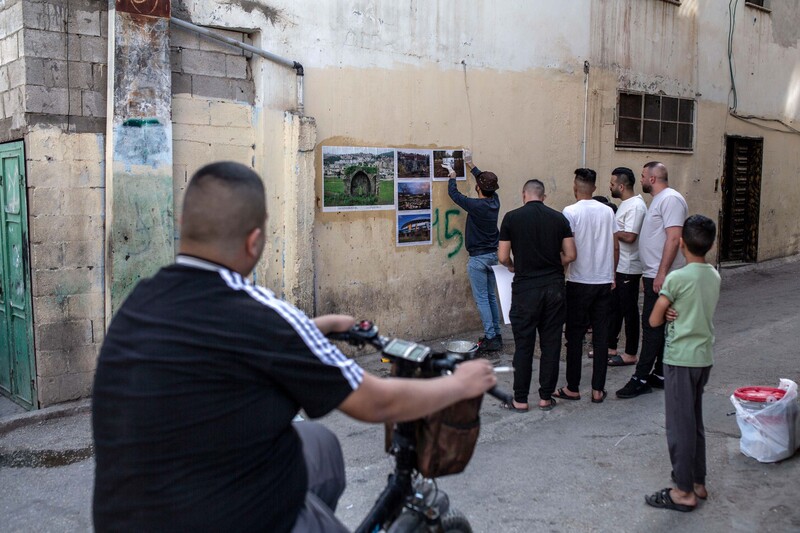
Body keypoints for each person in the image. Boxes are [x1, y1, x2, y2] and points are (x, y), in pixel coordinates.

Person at [91, 161, 497, 532]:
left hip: (124, 516)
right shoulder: (258, 310)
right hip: (227, 517)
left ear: (184, 224)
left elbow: (233, 343)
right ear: (254, 242)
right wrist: (460, 383)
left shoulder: (141, 302)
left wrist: (312, 328)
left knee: (319, 445)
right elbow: (374, 403)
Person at [644, 215, 720, 512]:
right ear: (710, 245)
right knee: (694, 421)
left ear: (682, 244)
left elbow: (653, 319)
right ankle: (698, 482)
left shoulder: (677, 278)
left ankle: (683, 490)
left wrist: (667, 310)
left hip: (679, 359)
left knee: (679, 427)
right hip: (703, 358)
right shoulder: (713, 275)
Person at [497, 179, 576, 411]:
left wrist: (513, 265)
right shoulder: (559, 218)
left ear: (524, 195)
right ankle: (545, 397)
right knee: (551, 343)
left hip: (525, 289)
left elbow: (502, 257)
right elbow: (571, 254)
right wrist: (553, 263)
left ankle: (520, 399)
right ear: (544, 196)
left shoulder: (511, 218)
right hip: (554, 288)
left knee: (524, 345)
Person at [617, 161, 688, 399]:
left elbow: (674, 237)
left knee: (652, 326)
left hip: (663, 276)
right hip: (654, 274)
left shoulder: (670, 199)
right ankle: (659, 373)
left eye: (644, 176)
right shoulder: (659, 199)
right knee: (658, 327)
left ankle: (640, 377)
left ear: (653, 179)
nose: (642, 179)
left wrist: (661, 273)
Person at [553, 168, 618, 404]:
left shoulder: (569, 212)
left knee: (574, 336)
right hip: (603, 280)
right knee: (601, 337)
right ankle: (598, 390)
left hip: (578, 281)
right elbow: (615, 245)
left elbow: (565, 248)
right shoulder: (608, 211)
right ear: (594, 187)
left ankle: (572, 387)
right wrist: (612, 274)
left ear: (575, 187)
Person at [446, 150, 503, 352]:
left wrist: (452, 177)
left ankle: (491, 337)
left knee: (482, 299)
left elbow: (454, 195)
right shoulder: (494, 201)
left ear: (478, 188)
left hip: (479, 259)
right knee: (491, 297)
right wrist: (471, 165)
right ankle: (496, 333)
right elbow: (485, 184)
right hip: (493, 256)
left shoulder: (476, 206)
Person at [607, 167, 647, 366]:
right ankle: (611, 347)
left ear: (621, 186)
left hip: (629, 267)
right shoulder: (625, 204)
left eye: (613, 184)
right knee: (615, 308)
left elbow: (630, 236)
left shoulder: (636, 207)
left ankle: (631, 352)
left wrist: (610, 230)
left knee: (629, 310)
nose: (610, 187)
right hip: (619, 265)